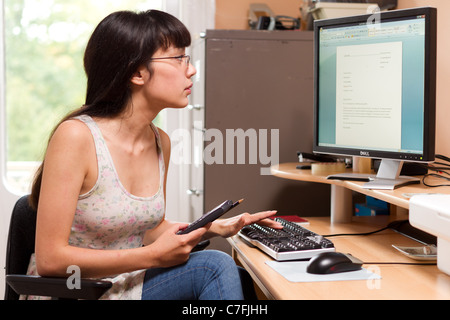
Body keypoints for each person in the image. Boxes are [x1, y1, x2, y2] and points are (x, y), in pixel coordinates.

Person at [25, 9, 281, 300]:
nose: (191, 69)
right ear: (136, 72)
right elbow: (50, 260)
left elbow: (148, 230)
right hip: (77, 291)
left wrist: (218, 227)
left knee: (232, 272)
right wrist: (153, 257)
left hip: (124, 286)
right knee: (215, 267)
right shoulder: (76, 137)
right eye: (178, 57)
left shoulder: (161, 142)